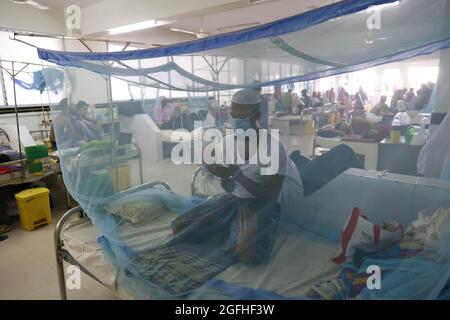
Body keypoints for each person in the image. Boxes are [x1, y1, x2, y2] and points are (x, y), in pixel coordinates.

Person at [205, 88, 303, 264]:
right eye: (232, 116)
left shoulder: (272, 147)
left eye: (240, 117)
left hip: (265, 201)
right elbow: (228, 188)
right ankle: (230, 231)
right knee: (182, 226)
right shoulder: (229, 143)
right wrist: (221, 174)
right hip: (239, 197)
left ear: (256, 116)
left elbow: (271, 195)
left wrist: (235, 174)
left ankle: (234, 233)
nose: (235, 121)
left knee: (248, 256)